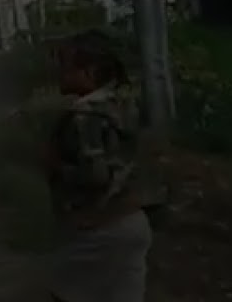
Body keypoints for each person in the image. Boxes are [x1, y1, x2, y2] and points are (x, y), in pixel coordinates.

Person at [44, 29, 152, 302]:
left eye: (66, 66)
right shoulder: (122, 103)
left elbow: (96, 175)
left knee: (65, 291)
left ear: (89, 71)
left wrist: (55, 166)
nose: (59, 72)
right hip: (132, 220)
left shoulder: (84, 116)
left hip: (99, 229)